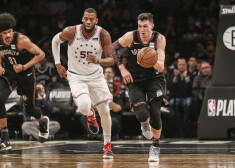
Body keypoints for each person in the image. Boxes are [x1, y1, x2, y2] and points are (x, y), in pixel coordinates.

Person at [52, 8, 114, 159]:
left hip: (96, 76)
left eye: (91, 19)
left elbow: (111, 59)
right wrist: (58, 65)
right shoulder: (71, 32)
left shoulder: (103, 34)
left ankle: (107, 145)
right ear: (82, 19)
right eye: (86, 18)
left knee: (105, 110)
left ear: (96, 21)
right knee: (85, 107)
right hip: (76, 76)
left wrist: (99, 60)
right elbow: (55, 41)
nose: (88, 21)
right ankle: (91, 116)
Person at [111, 13, 166, 162]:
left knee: (155, 113)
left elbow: (161, 67)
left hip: (155, 78)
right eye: (140, 26)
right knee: (142, 114)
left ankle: (155, 147)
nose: (142, 29)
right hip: (135, 80)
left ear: (152, 26)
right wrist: (122, 68)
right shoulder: (130, 37)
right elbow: (112, 48)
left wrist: (149, 58)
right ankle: (144, 123)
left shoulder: (159, 39)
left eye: (145, 26)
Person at [0, 13, 50, 150]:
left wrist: (23, 66)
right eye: (4, 33)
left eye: (10, 31)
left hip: (25, 74)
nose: (8, 35)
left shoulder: (22, 40)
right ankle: (4, 138)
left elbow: (41, 54)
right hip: (9, 73)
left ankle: (42, 121)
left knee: (30, 109)